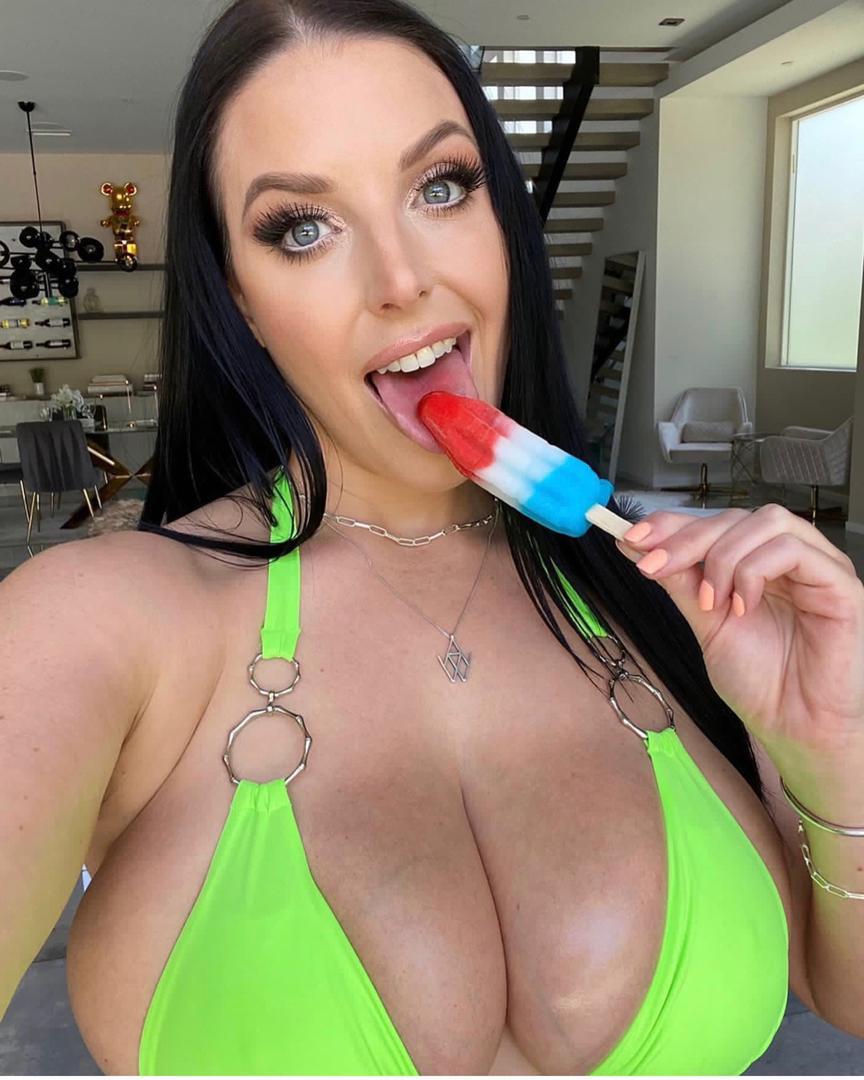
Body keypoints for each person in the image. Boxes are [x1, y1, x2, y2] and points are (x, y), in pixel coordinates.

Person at [2, 0, 863, 1074]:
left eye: (441, 187)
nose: (403, 279)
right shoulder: (97, 622)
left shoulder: (670, 596)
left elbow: (847, 992)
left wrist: (834, 751)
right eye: (302, 228)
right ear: (240, 298)